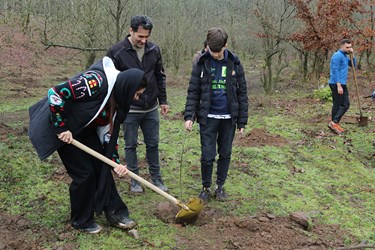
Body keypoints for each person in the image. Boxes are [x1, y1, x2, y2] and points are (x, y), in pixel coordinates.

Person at [28, 57, 147, 234]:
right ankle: (81, 220)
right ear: (127, 87)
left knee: (102, 167)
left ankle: (115, 212)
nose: (136, 98)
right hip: (64, 130)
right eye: (136, 94)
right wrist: (61, 126)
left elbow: (109, 135)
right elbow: (56, 92)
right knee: (84, 173)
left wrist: (115, 163)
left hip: (84, 129)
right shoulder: (95, 82)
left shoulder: (117, 102)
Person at [184, 27, 248, 203]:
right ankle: (205, 187)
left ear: (225, 46)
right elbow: (193, 91)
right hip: (208, 117)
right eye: (212, 52)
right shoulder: (201, 63)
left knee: (225, 153)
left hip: (229, 119)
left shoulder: (235, 63)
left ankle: (220, 187)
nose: (215, 55)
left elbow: (242, 92)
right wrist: (189, 116)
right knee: (207, 155)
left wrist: (242, 120)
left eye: (218, 52)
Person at [106, 15, 169, 193]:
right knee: (130, 145)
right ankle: (135, 180)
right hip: (129, 109)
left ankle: (156, 178)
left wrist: (163, 100)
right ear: (131, 30)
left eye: (146, 37)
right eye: (140, 36)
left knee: (153, 144)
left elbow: (160, 75)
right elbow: (111, 81)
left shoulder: (154, 50)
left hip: (151, 107)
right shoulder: (116, 52)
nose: (143, 40)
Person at [328, 39, 355, 135]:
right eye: (347, 47)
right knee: (345, 104)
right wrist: (339, 85)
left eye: (350, 47)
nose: (349, 49)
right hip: (336, 83)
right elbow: (334, 71)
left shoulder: (344, 56)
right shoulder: (337, 56)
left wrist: (352, 55)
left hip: (341, 83)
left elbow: (353, 65)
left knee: (338, 104)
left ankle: (335, 123)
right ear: (341, 46)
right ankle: (334, 122)